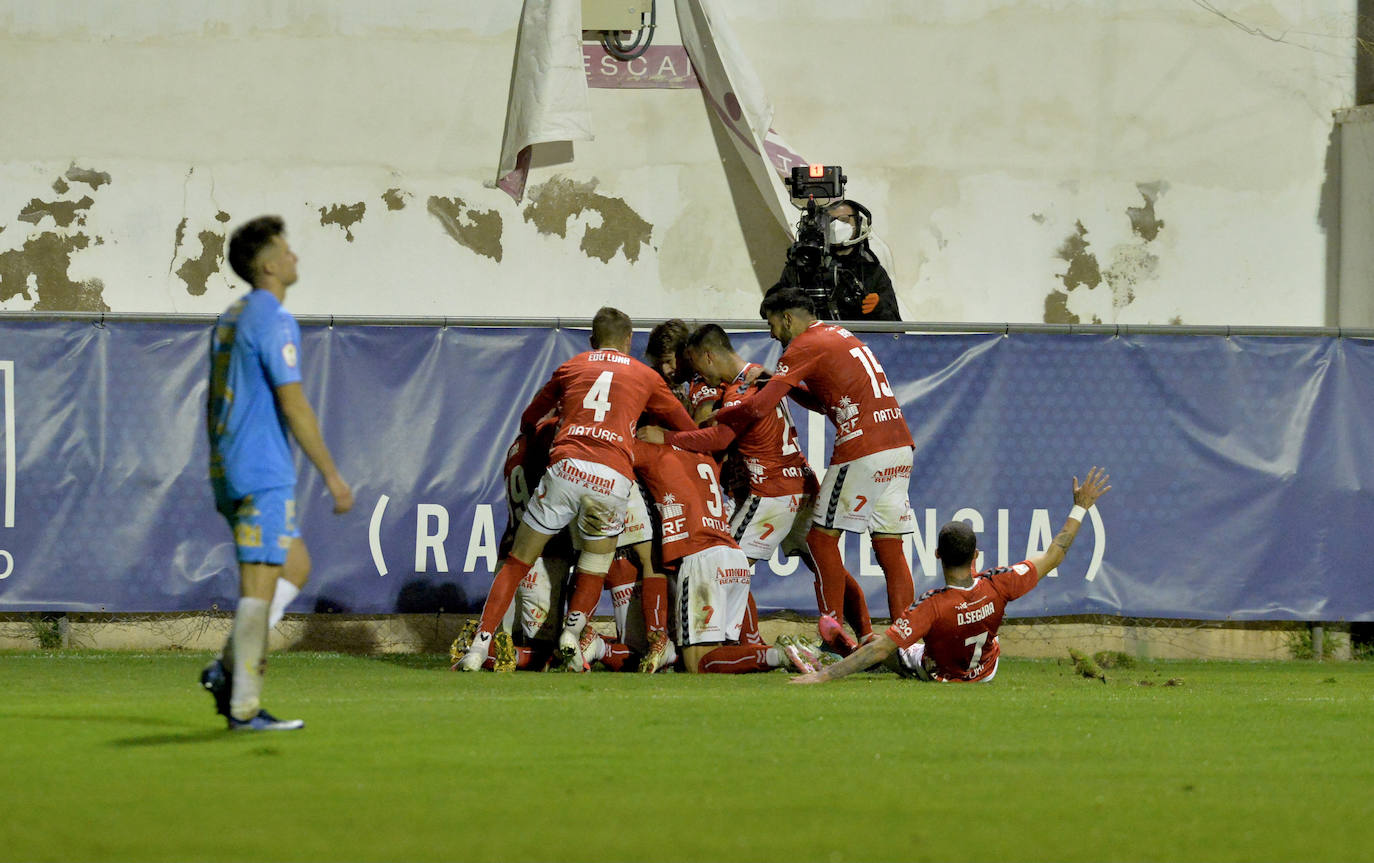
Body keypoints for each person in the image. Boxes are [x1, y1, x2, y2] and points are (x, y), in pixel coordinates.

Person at [470, 307, 698, 672]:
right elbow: (688, 428)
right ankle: (574, 634)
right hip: (612, 476)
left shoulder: (571, 367)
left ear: (592, 340)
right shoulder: (644, 375)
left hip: (567, 468)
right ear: (629, 341)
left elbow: (529, 418)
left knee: (517, 561)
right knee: (598, 564)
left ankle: (479, 646)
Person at [201, 216, 353, 731]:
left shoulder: (232, 315)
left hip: (232, 466)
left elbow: (212, 400)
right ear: (268, 264)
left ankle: (226, 669)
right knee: (258, 589)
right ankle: (243, 706)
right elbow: (294, 403)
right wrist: (331, 476)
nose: (295, 258)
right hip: (260, 470)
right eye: (287, 251)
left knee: (295, 566)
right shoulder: (272, 318)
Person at [711, 289, 917, 655]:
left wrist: (715, 420)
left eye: (772, 324)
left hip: (863, 445)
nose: (773, 334)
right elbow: (822, 405)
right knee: (890, 547)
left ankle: (830, 632)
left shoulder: (803, 345)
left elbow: (758, 408)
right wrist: (783, 384)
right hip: (899, 444)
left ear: (787, 318)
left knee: (821, 539)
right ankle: (907, 641)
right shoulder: (838, 334)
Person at [638, 325, 870, 646]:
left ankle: (746, 646)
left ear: (708, 356)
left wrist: (666, 436)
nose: (700, 376)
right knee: (827, 568)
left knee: (723, 562)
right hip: (801, 487)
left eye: (697, 365)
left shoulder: (739, 390)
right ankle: (867, 635)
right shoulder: (762, 378)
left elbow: (718, 439)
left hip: (770, 492)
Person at [791, 468, 1111, 684]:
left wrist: (823, 677)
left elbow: (880, 649)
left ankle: (851, 645)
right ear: (976, 557)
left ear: (937, 555)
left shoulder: (929, 607)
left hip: (938, 673)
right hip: (986, 671)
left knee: (883, 645)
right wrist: (1080, 507)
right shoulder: (999, 583)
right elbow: (1056, 554)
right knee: (977, 624)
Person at [631, 437, 821, 675]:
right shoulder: (707, 455)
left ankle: (780, 655)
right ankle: (777, 655)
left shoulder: (653, 452)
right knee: (720, 651)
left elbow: (610, 449)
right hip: (734, 557)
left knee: (697, 663)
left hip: (701, 559)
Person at [777, 199, 900, 322]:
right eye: (830, 220)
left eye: (844, 220)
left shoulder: (871, 272)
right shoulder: (801, 268)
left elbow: (895, 326)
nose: (836, 226)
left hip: (858, 340)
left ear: (858, 224)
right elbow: (768, 311)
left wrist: (879, 307)